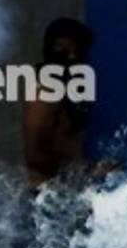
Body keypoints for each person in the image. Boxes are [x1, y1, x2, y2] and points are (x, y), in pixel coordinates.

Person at [22, 17, 98, 188]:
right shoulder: (45, 91)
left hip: (67, 191)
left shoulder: (68, 89)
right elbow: (35, 156)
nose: (71, 57)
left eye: (77, 51)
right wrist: (85, 170)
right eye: (62, 50)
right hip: (49, 194)